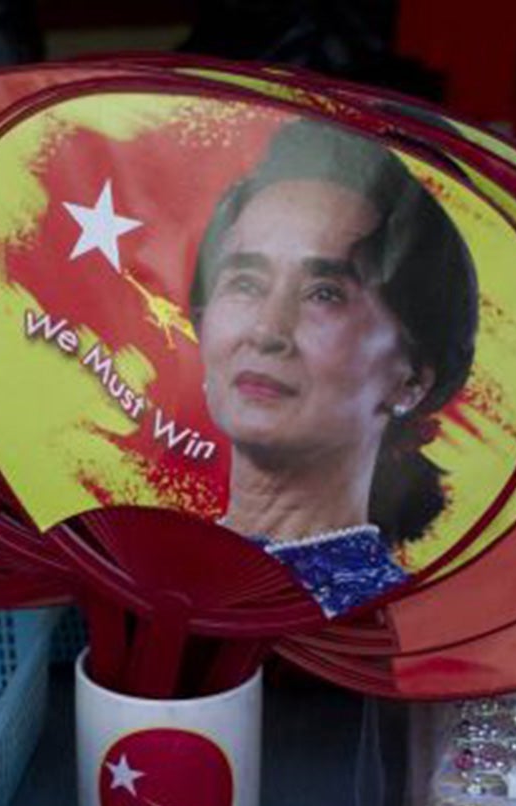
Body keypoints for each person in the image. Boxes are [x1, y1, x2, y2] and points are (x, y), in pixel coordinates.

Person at [189, 118, 480, 616]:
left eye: (324, 294)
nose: (267, 330)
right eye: (245, 283)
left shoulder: (393, 626)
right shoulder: (152, 567)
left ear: (411, 379)